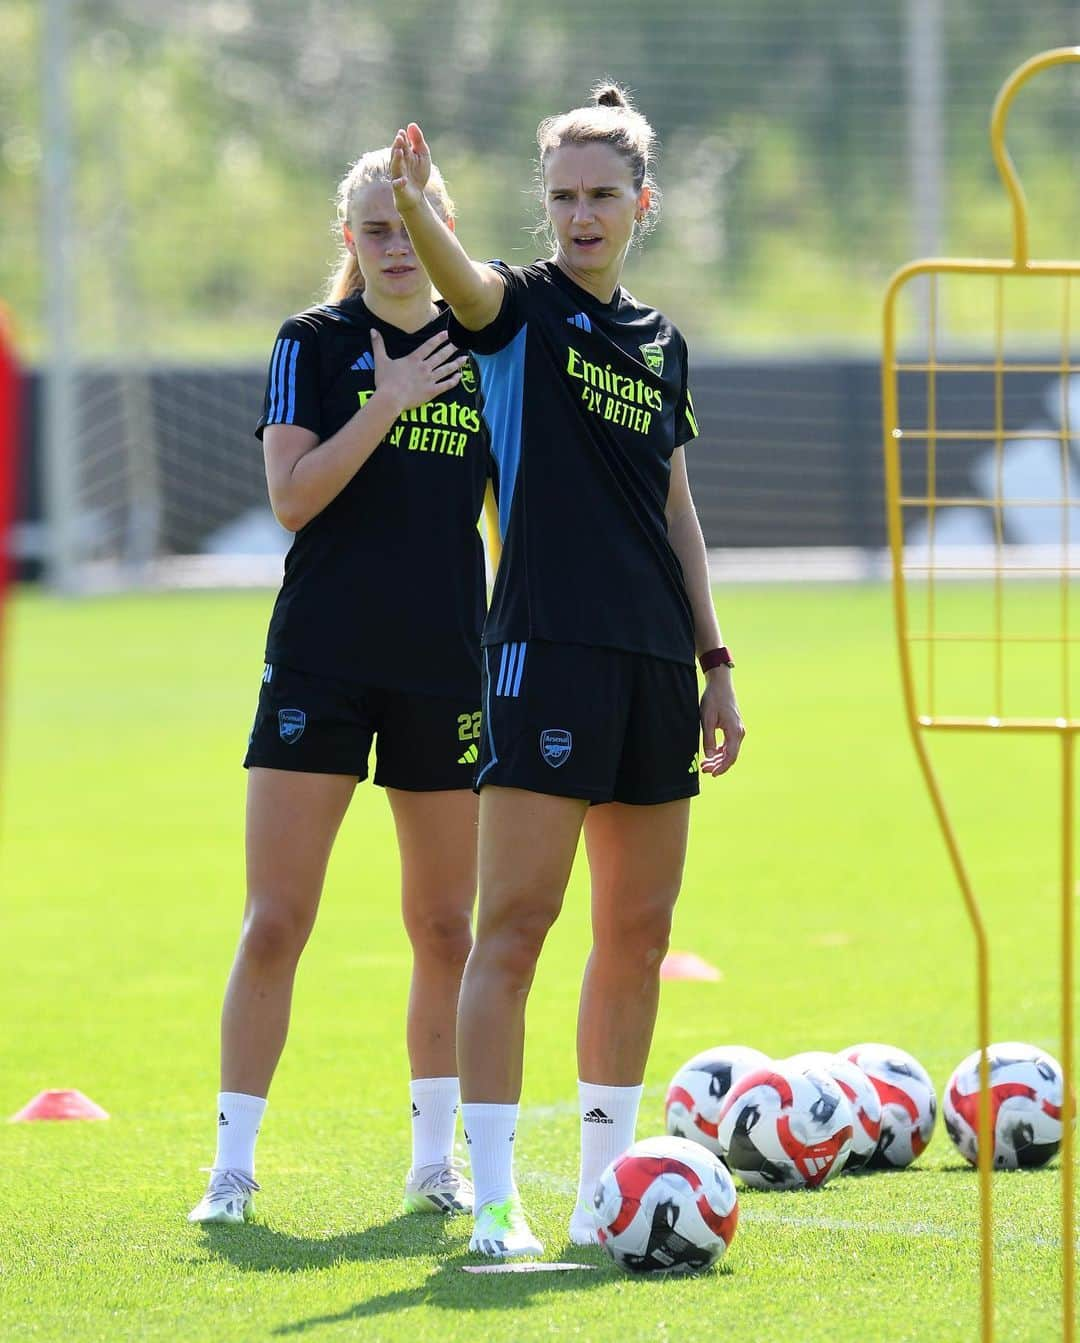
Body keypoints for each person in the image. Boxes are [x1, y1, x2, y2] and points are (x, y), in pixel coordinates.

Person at [389, 83, 745, 1258]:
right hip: (547, 652)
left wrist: (716, 660)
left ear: (642, 203)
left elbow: (677, 509)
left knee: (638, 929)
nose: (580, 216)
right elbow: (463, 284)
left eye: (601, 196)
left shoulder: (662, 341)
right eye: (562, 198)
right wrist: (410, 204)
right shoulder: (520, 310)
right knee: (517, 931)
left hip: (655, 663)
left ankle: (607, 1189)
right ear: (543, 210)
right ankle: (496, 1203)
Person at [188, 147, 491, 1224]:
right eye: (374, 225)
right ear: (348, 240)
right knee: (276, 918)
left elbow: (524, 505)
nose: (396, 242)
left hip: (447, 664)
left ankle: (435, 1161)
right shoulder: (309, 345)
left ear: (441, 224)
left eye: (412, 220)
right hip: (321, 657)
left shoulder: (487, 344)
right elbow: (292, 497)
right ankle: (232, 1168)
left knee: (446, 926)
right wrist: (390, 399)